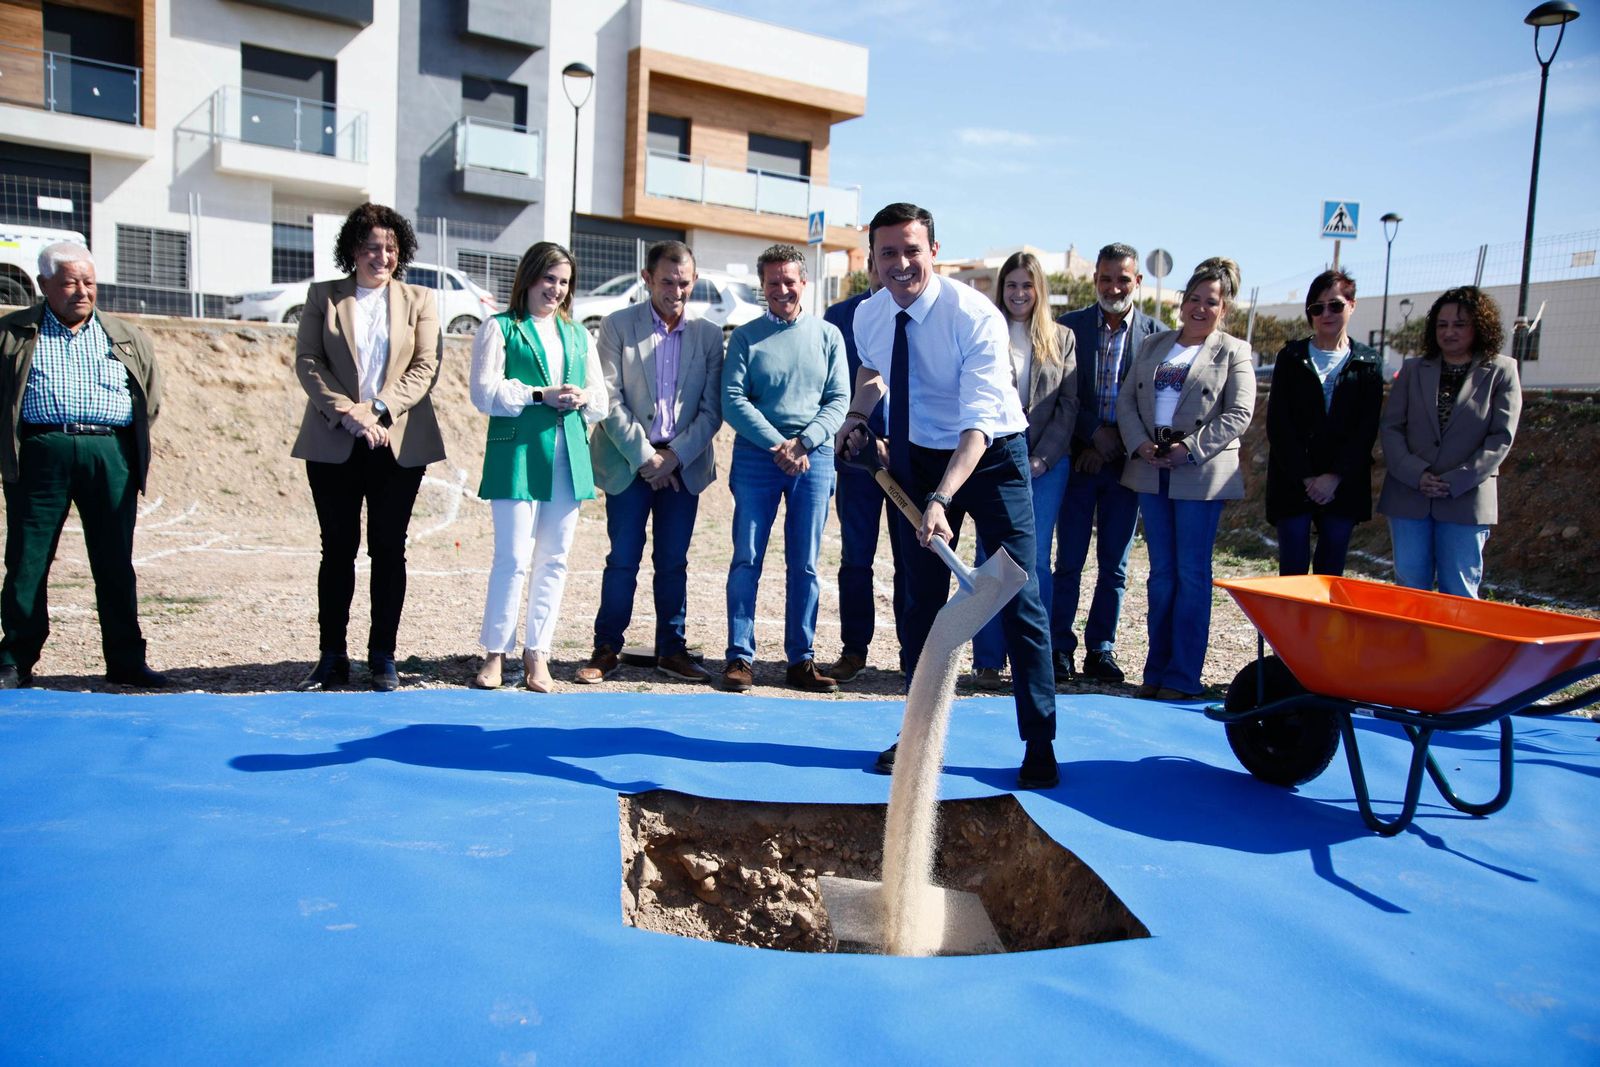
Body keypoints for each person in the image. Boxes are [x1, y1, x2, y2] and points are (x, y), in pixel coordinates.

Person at [838, 202, 1059, 790]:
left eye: (913, 250)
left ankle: (1040, 741)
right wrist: (859, 415)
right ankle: (919, 737)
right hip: (916, 454)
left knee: (1017, 595)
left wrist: (939, 499)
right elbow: (873, 370)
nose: (901, 263)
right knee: (919, 600)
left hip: (990, 456)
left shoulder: (973, 317)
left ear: (933, 250)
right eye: (889, 252)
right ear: (874, 260)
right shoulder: (870, 315)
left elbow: (978, 429)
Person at [292, 203, 445, 692]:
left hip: (398, 442)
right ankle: (331, 657)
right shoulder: (323, 296)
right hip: (334, 440)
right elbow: (309, 362)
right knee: (336, 549)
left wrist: (377, 409)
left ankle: (383, 657)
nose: (382, 256)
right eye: (372, 247)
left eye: (391, 248)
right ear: (353, 250)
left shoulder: (420, 299)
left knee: (388, 549)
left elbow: (426, 367)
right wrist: (348, 413)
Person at [0, 242, 167, 689]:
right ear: (44, 285)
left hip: (109, 453)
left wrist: (119, 444)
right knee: (27, 559)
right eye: (70, 282)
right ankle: (15, 658)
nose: (82, 291)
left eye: (89, 282)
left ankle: (126, 661)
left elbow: (148, 397)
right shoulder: (12, 333)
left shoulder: (125, 335)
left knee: (114, 561)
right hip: (41, 451)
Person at [577, 240, 722, 685]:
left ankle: (671, 650)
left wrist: (673, 457)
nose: (675, 291)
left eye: (683, 283)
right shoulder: (617, 326)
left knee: (673, 561)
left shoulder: (710, 335)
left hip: (683, 465)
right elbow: (609, 399)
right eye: (666, 282)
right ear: (647, 279)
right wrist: (646, 458)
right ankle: (606, 648)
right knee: (622, 558)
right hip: (628, 463)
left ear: (693, 281)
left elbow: (712, 410)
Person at [469, 241, 606, 692]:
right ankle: (495, 652)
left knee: (555, 559)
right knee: (512, 557)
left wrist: (582, 398)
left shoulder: (580, 335)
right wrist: (537, 395)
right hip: (518, 454)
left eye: (564, 282)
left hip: (569, 456)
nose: (556, 289)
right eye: (549, 279)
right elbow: (483, 393)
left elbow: (601, 398)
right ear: (529, 278)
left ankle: (537, 652)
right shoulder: (500, 328)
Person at [1117, 257, 1254, 701]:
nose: (1199, 308)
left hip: (1199, 475)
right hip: (1150, 470)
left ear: (1224, 308)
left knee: (1192, 574)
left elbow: (1239, 413)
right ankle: (1155, 671)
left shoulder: (1234, 351)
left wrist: (1189, 448)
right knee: (1161, 575)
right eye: (1193, 298)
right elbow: (1126, 402)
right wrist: (1140, 443)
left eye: (1210, 302)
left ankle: (1182, 676)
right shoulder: (1155, 344)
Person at [721, 244, 849, 693]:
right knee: (747, 557)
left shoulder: (828, 336)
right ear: (763, 286)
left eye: (789, 281)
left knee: (806, 563)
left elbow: (838, 400)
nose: (782, 289)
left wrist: (806, 442)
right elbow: (733, 401)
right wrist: (780, 444)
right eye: (772, 282)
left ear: (804, 283)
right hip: (759, 457)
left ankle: (802, 659)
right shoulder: (744, 337)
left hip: (813, 460)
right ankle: (739, 657)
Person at [1054, 244, 1165, 685]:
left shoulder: (1158, 337)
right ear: (1094, 280)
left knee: (1114, 565)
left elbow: (1157, 403)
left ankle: (1101, 648)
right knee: (1069, 561)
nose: (1113, 287)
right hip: (1078, 462)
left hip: (1127, 465)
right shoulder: (1069, 328)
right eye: (1105, 279)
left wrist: (1116, 440)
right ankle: (1059, 646)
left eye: (1123, 279)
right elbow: (1062, 393)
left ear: (1137, 282)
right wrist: (1090, 436)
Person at [968, 251, 1078, 690]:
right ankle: (988, 660)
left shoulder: (1063, 338)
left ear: (1039, 291)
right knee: (989, 559)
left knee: (1034, 562)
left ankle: (1035, 658)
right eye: (1011, 285)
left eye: (1026, 286)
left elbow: (1068, 406)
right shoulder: (985, 330)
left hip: (1046, 465)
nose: (1018, 293)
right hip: (992, 460)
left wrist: (1042, 458)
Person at [1377, 286, 1521, 597]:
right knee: (1411, 591)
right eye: (1442, 325)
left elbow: (1501, 437)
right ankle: (1414, 648)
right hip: (1409, 496)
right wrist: (1417, 474)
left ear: (1479, 326)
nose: (1449, 332)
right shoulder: (1414, 369)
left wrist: (1455, 479)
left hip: (1465, 499)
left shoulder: (1502, 371)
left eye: (1459, 324)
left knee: (1459, 592)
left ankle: (1457, 648)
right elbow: (1391, 428)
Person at [1265, 270, 1384, 576]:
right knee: (1291, 572)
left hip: (1343, 485)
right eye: (1317, 308)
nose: (1326, 314)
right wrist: (1306, 477)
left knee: (1330, 573)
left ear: (1352, 305)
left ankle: (1322, 626)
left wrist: (1334, 476)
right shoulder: (1291, 357)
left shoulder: (1368, 362)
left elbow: (1366, 428)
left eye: (1335, 305)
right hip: (1293, 481)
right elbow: (1279, 424)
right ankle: (1287, 626)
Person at [823, 258, 908, 684]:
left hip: (910, 461)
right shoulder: (840, 317)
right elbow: (834, 385)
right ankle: (854, 650)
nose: (887, 269)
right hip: (857, 460)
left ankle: (914, 654)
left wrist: (902, 442)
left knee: (911, 561)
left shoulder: (921, 314)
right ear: (871, 265)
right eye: (879, 260)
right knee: (856, 560)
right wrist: (855, 429)